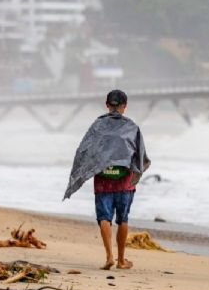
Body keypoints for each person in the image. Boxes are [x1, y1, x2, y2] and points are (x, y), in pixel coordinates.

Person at [63, 89, 151, 270]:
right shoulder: (132, 127)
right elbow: (140, 155)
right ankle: (121, 260)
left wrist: (80, 173)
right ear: (125, 106)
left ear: (107, 105)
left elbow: (84, 150)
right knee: (123, 219)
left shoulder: (97, 126)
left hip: (103, 180)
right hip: (124, 181)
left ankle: (109, 257)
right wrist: (137, 171)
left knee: (104, 217)